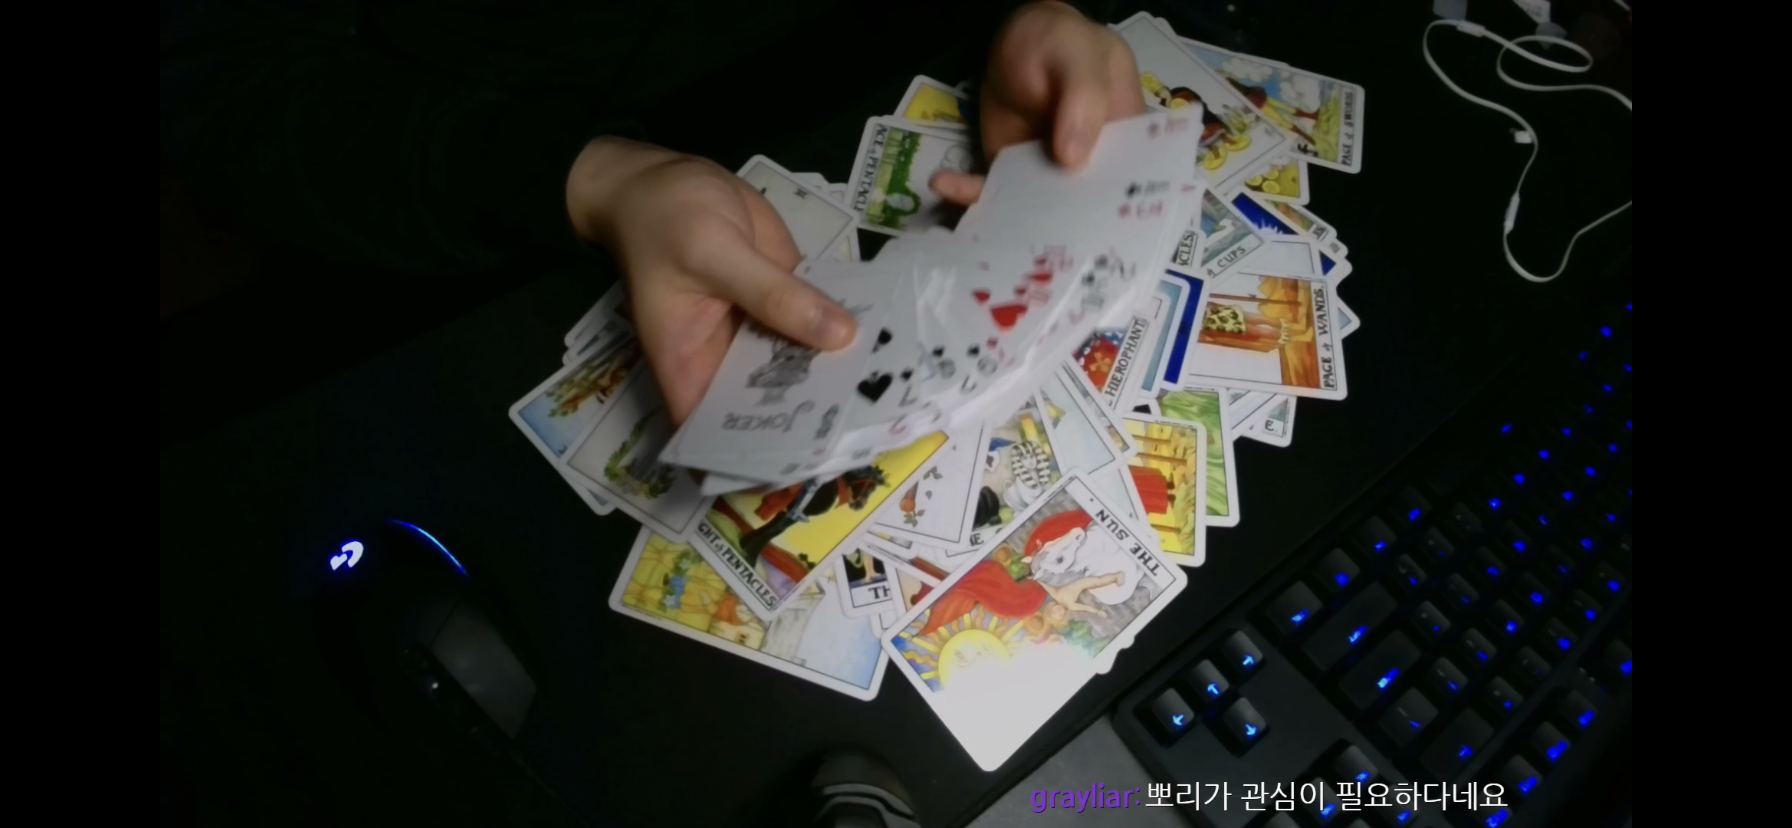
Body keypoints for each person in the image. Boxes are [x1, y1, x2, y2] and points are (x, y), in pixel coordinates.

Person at [162, 0, 1144, 425]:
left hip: (881, 84)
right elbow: (220, 75)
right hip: (471, 206)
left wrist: (1032, 10)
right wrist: (585, 179)